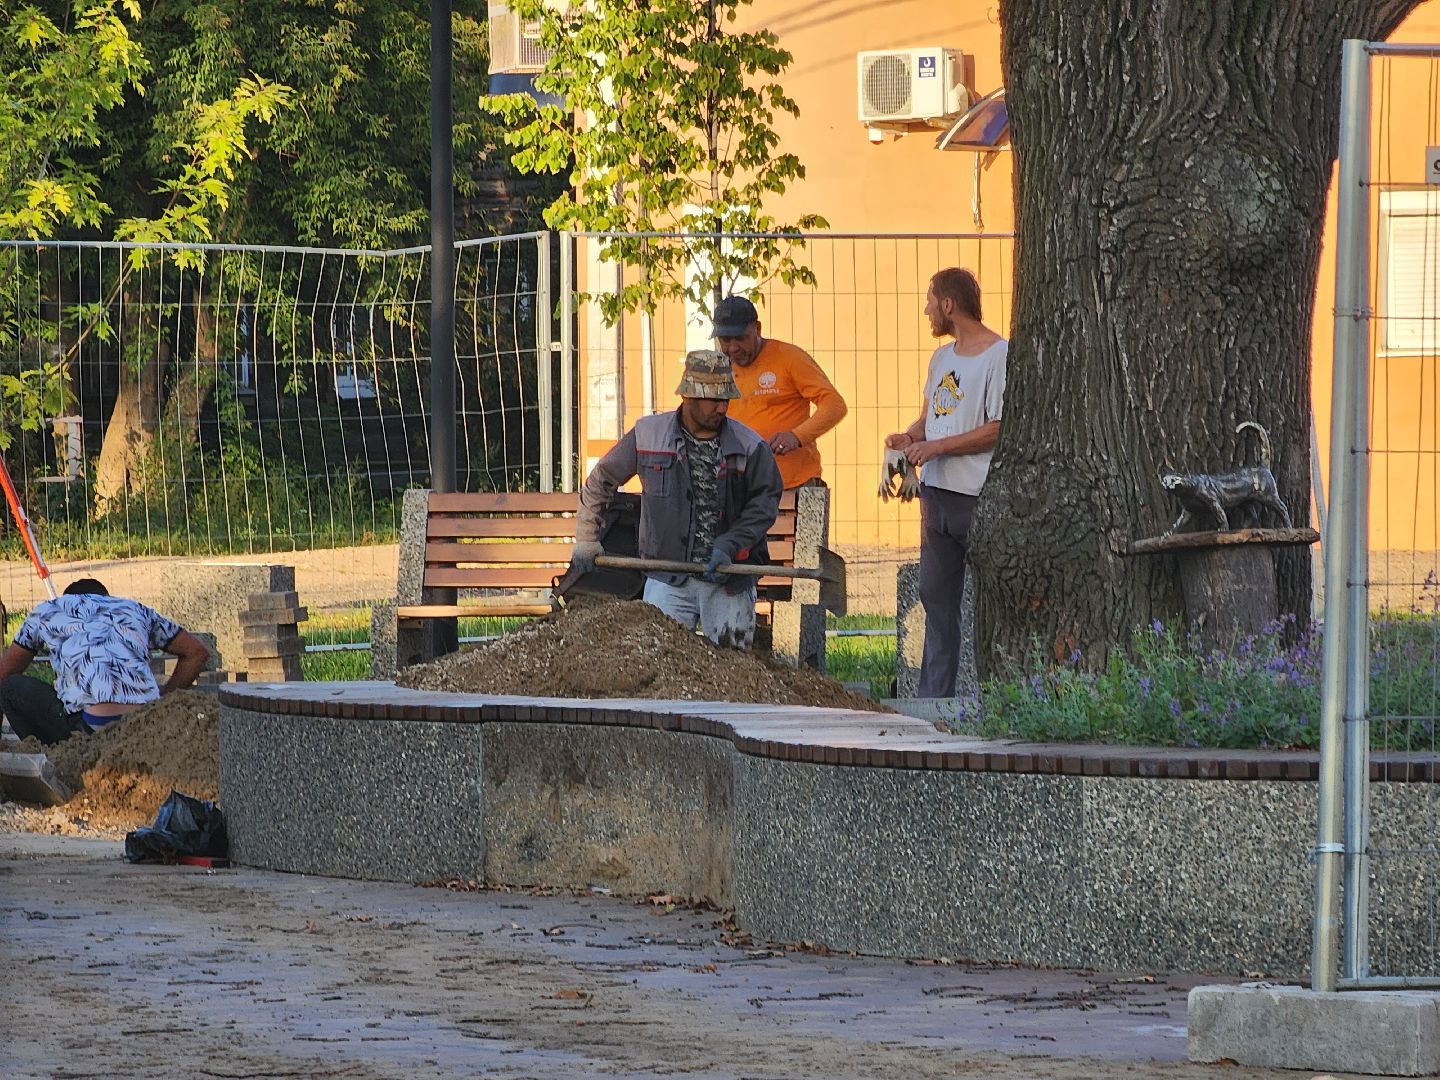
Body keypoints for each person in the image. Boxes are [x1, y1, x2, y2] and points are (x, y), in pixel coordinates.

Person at [571, 350, 783, 648]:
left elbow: (764, 504)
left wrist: (730, 543)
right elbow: (600, 481)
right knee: (658, 662)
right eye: (714, 400)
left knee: (733, 666)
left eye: (726, 400)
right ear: (690, 397)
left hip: (729, 579)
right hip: (666, 576)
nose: (722, 408)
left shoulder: (751, 446)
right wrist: (586, 538)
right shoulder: (648, 435)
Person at [885, 268, 1007, 698]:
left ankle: (1000, 697)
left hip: (977, 497)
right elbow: (930, 418)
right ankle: (933, 703)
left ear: (948, 306)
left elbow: (997, 428)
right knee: (935, 602)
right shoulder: (941, 358)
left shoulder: (998, 354)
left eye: (929, 301)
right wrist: (910, 438)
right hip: (935, 498)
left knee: (996, 605)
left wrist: (936, 449)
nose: (926, 310)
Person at [0, 578, 210, 745]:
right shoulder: (135, 609)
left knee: (9, 688)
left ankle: (60, 757)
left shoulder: (48, 610)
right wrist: (163, 700)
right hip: (147, 724)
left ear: (68, 599)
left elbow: (5, 673)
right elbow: (197, 652)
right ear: (107, 598)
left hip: (89, 727)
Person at [711, 295, 848, 489]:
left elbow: (835, 405)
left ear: (757, 329)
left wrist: (796, 436)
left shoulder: (789, 358)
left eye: (740, 338)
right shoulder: (717, 370)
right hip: (745, 490)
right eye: (725, 340)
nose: (732, 348)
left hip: (798, 485)